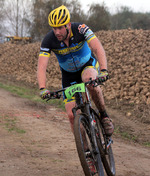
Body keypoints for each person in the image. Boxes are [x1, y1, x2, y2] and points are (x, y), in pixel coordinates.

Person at [37, 5, 114, 136]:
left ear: (68, 25)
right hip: (68, 75)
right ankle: (87, 154)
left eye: (60, 27)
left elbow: (97, 48)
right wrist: (42, 88)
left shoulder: (80, 29)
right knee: (72, 116)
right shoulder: (49, 40)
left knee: (89, 81)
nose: (57, 32)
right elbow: (42, 66)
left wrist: (104, 70)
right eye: (54, 28)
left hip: (87, 65)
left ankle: (103, 115)